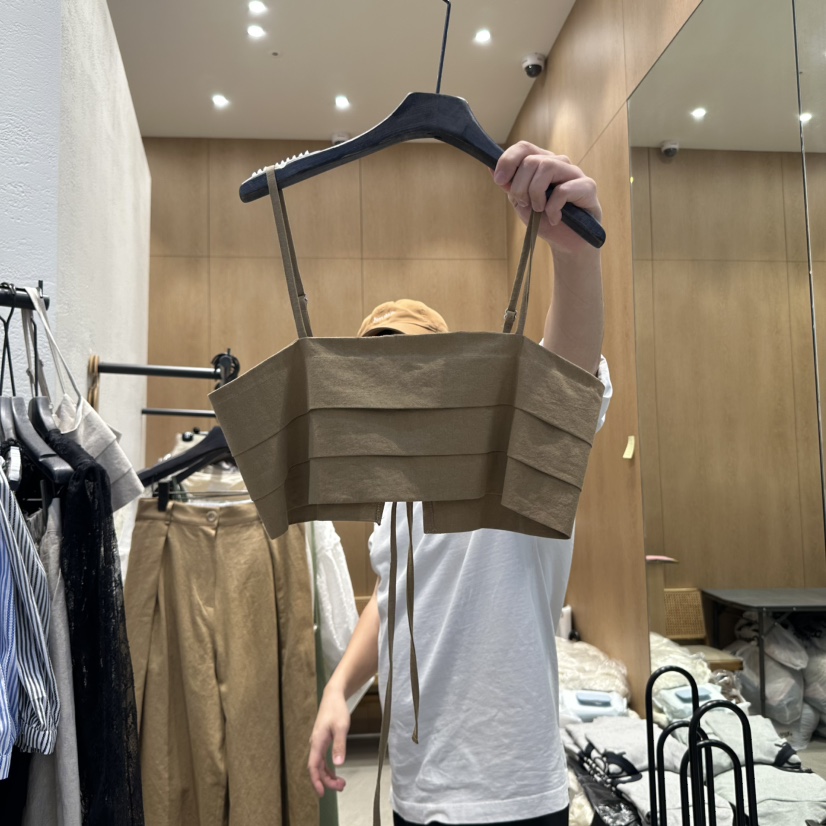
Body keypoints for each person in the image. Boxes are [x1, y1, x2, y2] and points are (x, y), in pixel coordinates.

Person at [307, 141, 612, 826]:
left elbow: (564, 382)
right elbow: (393, 596)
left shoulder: (506, 453)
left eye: (415, 367)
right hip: (416, 792)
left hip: (510, 798)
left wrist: (574, 257)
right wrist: (339, 689)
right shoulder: (392, 500)